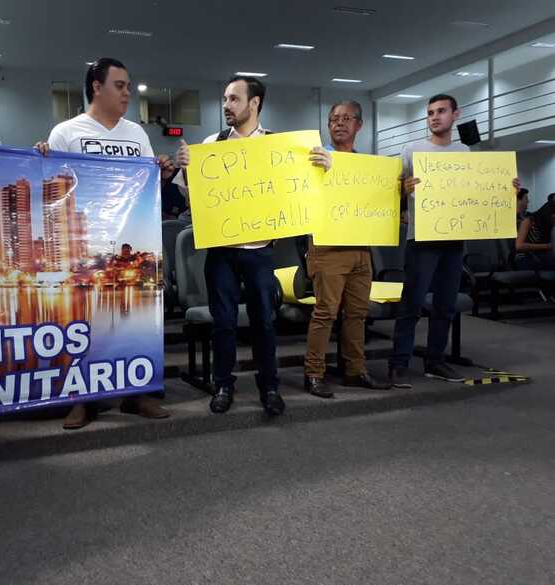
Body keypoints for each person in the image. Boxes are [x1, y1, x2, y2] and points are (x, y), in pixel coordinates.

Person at [173, 75, 332, 415]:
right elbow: (194, 200)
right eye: (226, 99)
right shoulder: (211, 143)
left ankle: (269, 387)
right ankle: (222, 386)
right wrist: (187, 172)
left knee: (264, 323)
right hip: (221, 252)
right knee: (224, 323)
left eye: (233, 99)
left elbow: (304, 191)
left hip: (260, 251)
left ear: (254, 103)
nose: (226, 106)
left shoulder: (281, 147)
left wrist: (324, 168)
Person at [35, 57, 170, 430]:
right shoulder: (67, 132)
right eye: (120, 85)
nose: (128, 93)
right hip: (84, 245)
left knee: (136, 323)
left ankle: (137, 393)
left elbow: (148, 187)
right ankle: (81, 399)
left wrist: (161, 167)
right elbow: (53, 189)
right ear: (97, 87)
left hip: (132, 238)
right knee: (83, 322)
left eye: (128, 86)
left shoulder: (136, 134)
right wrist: (43, 158)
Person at [387, 94, 518, 388]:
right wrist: (402, 189)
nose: (434, 117)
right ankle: (398, 363)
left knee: (445, 305)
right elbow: (393, 194)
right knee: (412, 303)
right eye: (430, 112)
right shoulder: (412, 150)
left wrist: (505, 188)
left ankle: (435, 360)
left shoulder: (465, 152)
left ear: (456, 115)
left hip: (454, 238)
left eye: (441, 111)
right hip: (421, 238)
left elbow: (478, 193)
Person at [303, 101, 391, 399]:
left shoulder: (368, 166)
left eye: (345, 119)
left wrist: (399, 191)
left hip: (361, 247)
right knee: (325, 312)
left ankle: (355, 371)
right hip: (327, 247)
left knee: (357, 313)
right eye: (333, 119)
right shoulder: (315, 158)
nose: (338, 123)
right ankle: (314, 374)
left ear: (359, 125)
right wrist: (326, 172)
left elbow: (378, 204)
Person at [515, 202, 555, 270]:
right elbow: (519, 246)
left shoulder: (550, 225)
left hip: (542, 256)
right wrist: (547, 246)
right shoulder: (529, 221)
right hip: (525, 257)